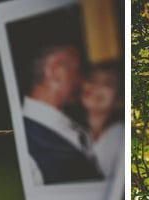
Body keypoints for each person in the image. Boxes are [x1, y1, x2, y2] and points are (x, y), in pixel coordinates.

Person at [22, 44, 103, 184]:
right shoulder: (26, 147)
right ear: (56, 72)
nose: (81, 81)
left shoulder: (75, 126)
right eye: (77, 71)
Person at [74, 63, 123, 177]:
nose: (96, 86)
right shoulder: (66, 128)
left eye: (108, 83)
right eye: (92, 79)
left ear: (119, 99)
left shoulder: (121, 136)